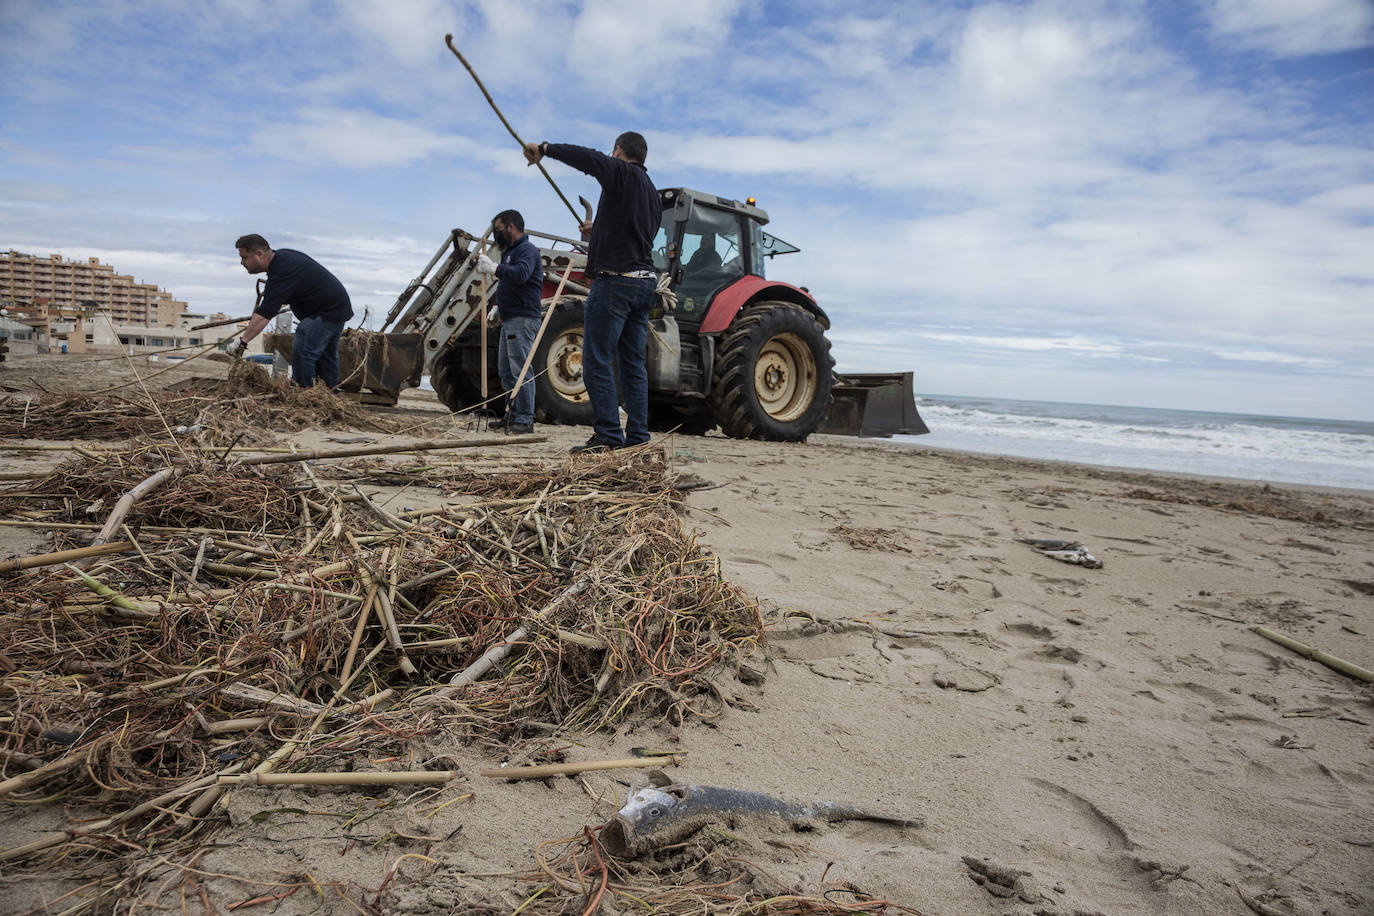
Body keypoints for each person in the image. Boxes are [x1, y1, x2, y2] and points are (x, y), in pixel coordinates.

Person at [523, 132, 659, 453]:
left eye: (613, 153)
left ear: (619, 150)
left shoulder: (622, 173)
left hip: (616, 282)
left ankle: (609, 436)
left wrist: (546, 148)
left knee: (596, 359)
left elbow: (589, 159)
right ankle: (638, 438)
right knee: (632, 363)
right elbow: (634, 235)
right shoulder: (651, 193)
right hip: (644, 283)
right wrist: (596, 231)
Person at [228, 234, 354, 389]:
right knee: (326, 356)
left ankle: (304, 393)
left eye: (245, 257)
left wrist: (242, 341)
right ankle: (329, 393)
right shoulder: (283, 259)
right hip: (336, 307)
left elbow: (265, 313)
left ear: (259, 254)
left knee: (304, 348)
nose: (242, 262)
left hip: (326, 311)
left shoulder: (281, 271)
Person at [472, 209, 543, 435]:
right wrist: (497, 307)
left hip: (522, 318)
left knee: (520, 369)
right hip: (509, 316)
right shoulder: (511, 251)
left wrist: (493, 268)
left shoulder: (527, 250)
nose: (496, 234)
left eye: (499, 229)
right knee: (506, 369)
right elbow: (508, 283)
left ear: (510, 226)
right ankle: (512, 415)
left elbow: (521, 275)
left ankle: (524, 418)